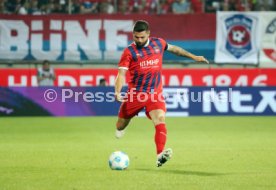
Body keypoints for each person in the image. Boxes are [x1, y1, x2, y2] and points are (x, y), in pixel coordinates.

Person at [114, 20, 208, 167]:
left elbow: (175, 49)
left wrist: (194, 57)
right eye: (136, 37)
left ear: (148, 34)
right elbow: (121, 74)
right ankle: (126, 122)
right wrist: (117, 91)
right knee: (120, 126)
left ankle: (159, 155)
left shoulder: (159, 43)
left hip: (155, 93)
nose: (139, 40)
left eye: (142, 37)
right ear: (133, 35)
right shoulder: (129, 52)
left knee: (160, 118)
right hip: (136, 95)